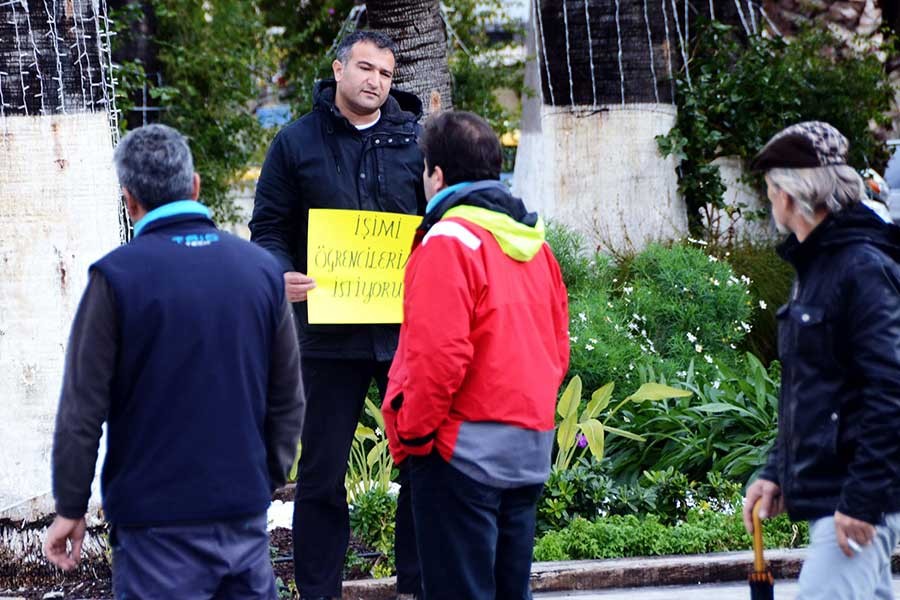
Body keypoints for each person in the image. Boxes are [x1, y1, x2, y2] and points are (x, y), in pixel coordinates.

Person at [43, 124, 305, 598]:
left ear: (130, 200)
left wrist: (70, 505)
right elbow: (288, 397)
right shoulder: (261, 271)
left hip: (153, 522)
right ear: (196, 185)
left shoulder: (116, 278)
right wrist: (262, 477)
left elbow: (82, 408)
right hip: (240, 512)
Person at [249, 30, 425, 600]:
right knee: (322, 477)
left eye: (387, 75)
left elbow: (438, 224)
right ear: (339, 68)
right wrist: (280, 271)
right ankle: (319, 592)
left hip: (404, 334)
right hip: (325, 334)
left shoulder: (414, 142)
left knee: (423, 467)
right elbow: (269, 228)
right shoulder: (295, 142)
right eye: (367, 68)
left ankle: (418, 587)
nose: (376, 82)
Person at [381, 111, 570, 600]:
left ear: (436, 175)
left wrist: (416, 434)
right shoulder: (537, 247)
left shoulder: (449, 241)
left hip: (459, 455)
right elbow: (558, 348)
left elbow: (437, 358)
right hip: (527, 449)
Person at [743, 121, 900, 599]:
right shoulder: (817, 266)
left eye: (770, 190)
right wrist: (776, 471)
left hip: (855, 500)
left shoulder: (860, 266)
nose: (770, 201)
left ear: (790, 196)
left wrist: (862, 499)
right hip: (841, 494)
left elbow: (891, 391)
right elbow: (812, 390)